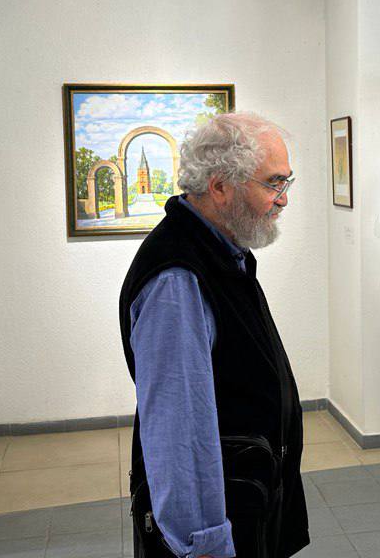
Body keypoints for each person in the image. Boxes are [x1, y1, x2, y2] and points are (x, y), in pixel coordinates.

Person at [118, 112, 308, 558]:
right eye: (273, 183)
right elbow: (179, 434)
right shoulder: (177, 279)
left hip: (249, 504)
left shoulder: (222, 252)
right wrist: (203, 541)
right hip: (218, 531)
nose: (283, 199)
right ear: (220, 186)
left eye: (286, 182)